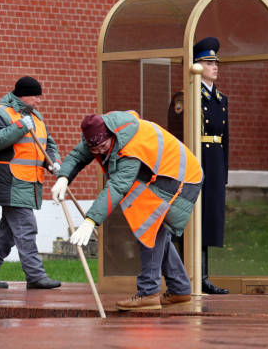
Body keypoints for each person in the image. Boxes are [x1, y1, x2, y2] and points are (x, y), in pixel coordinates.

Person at [51, 110, 203, 310]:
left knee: (149, 227)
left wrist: (90, 221)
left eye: (103, 147)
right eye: (93, 149)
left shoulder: (130, 148)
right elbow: (78, 155)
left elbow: (117, 187)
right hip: (163, 175)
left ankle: (148, 293)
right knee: (155, 230)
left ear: (111, 136)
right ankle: (179, 289)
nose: (99, 152)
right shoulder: (99, 135)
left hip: (179, 179)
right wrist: (64, 177)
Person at [0, 76, 62, 290]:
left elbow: (48, 144)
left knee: (9, 232)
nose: (39, 100)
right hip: (9, 181)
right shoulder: (1, 114)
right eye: (35, 96)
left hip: (28, 183)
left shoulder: (36, 118)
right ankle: (35, 276)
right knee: (26, 228)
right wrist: (20, 127)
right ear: (23, 95)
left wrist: (55, 162)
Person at [194, 37, 230, 294]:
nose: (215, 66)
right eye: (208, 62)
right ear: (197, 65)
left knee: (210, 220)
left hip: (214, 162)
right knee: (194, 218)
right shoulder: (189, 95)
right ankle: (191, 275)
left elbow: (225, 137)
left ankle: (204, 276)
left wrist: (224, 170)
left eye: (215, 62)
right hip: (198, 160)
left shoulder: (220, 98)